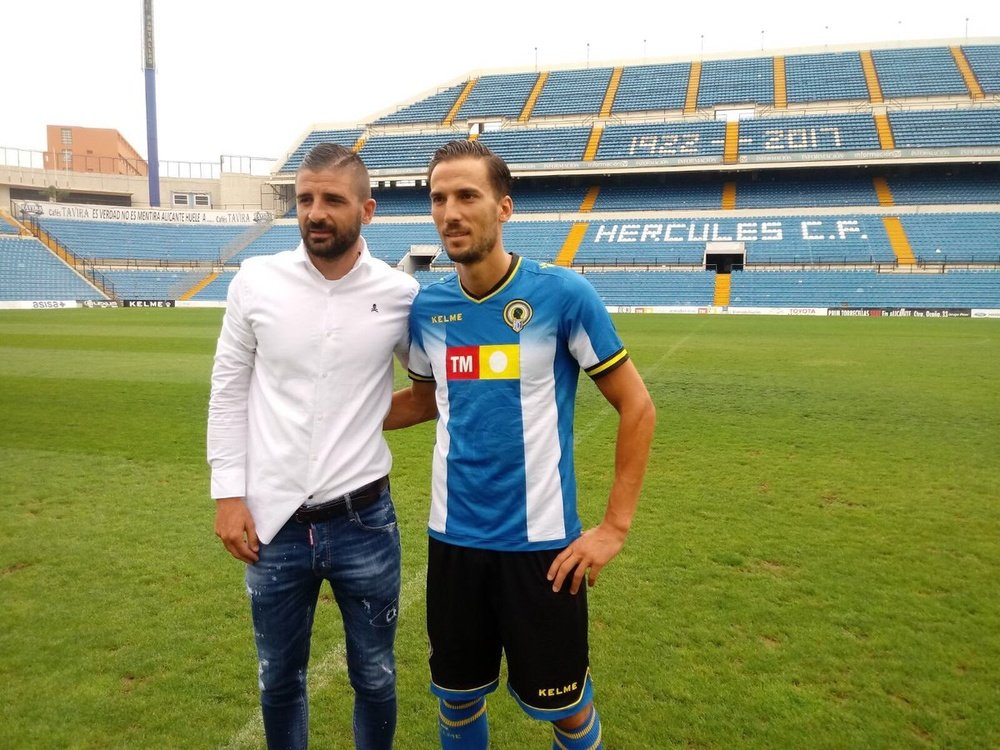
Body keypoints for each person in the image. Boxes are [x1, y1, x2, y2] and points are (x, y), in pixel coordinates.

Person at [385, 140, 656, 749]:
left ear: (504, 207)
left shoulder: (562, 295)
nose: (449, 211)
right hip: (453, 540)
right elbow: (428, 400)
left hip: (543, 547)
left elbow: (636, 406)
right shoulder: (429, 306)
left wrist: (614, 527)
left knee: (568, 713)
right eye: (438, 198)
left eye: (467, 196)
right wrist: (335, 419)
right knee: (456, 701)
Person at [208, 142, 419, 750]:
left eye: (331, 199)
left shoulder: (400, 295)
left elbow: (430, 392)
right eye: (304, 199)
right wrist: (228, 495)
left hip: (365, 521)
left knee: (375, 676)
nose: (315, 212)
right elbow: (228, 391)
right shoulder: (256, 282)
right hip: (271, 523)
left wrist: (353, 423)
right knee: (278, 679)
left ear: (368, 209)